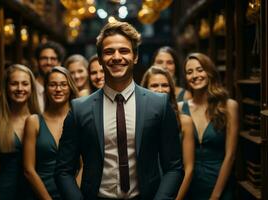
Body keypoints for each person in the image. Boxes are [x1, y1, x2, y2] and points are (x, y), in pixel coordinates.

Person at [55, 21, 183, 200]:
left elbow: (174, 168)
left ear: (135, 56)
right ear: (99, 58)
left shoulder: (159, 105)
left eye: (124, 51)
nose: (116, 57)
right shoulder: (79, 109)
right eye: (108, 52)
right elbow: (63, 170)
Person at [180, 53, 238, 199]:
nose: (195, 75)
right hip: (189, 186)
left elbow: (230, 156)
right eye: (189, 72)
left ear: (209, 72)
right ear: (186, 78)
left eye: (200, 70)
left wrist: (215, 196)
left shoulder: (229, 106)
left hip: (219, 184)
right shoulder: (180, 108)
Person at [0, 64, 40, 200]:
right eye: (14, 84)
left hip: (35, 192)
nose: (20, 88)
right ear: (6, 88)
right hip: (4, 192)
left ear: (31, 88)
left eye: (25, 84)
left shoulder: (39, 120)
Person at [23, 66, 79, 199]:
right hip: (41, 193)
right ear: (46, 89)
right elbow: (28, 169)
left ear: (70, 88)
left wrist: (73, 195)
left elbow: (84, 165)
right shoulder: (34, 121)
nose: (58, 89)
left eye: (63, 85)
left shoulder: (79, 119)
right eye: (52, 85)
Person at [141, 65, 194, 200]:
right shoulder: (137, 120)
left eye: (165, 85)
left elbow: (188, 169)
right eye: (154, 85)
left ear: (171, 89)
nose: (160, 89)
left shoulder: (184, 121)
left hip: (176, 190)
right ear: (145, 89)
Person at [35, 41, 65, 112]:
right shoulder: (29, 88)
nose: (48, 62)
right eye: (44, 58)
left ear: (59, 63)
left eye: (53, 59)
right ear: (37, 62)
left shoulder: (65, 89)